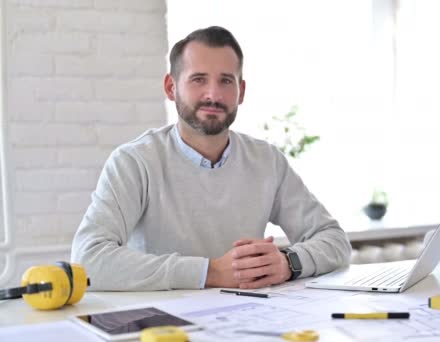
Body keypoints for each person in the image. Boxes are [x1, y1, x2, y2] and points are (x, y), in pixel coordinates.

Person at [71, 26, 351, 291]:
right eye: (198, 79)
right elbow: (87, 259)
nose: (214, 94)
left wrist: (288, 263)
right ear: (171, 87)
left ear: (241, 91)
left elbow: (334, 241)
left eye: (226, 81)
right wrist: (211, 272)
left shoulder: (267, 161)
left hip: (249, 318)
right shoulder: (134, 162)